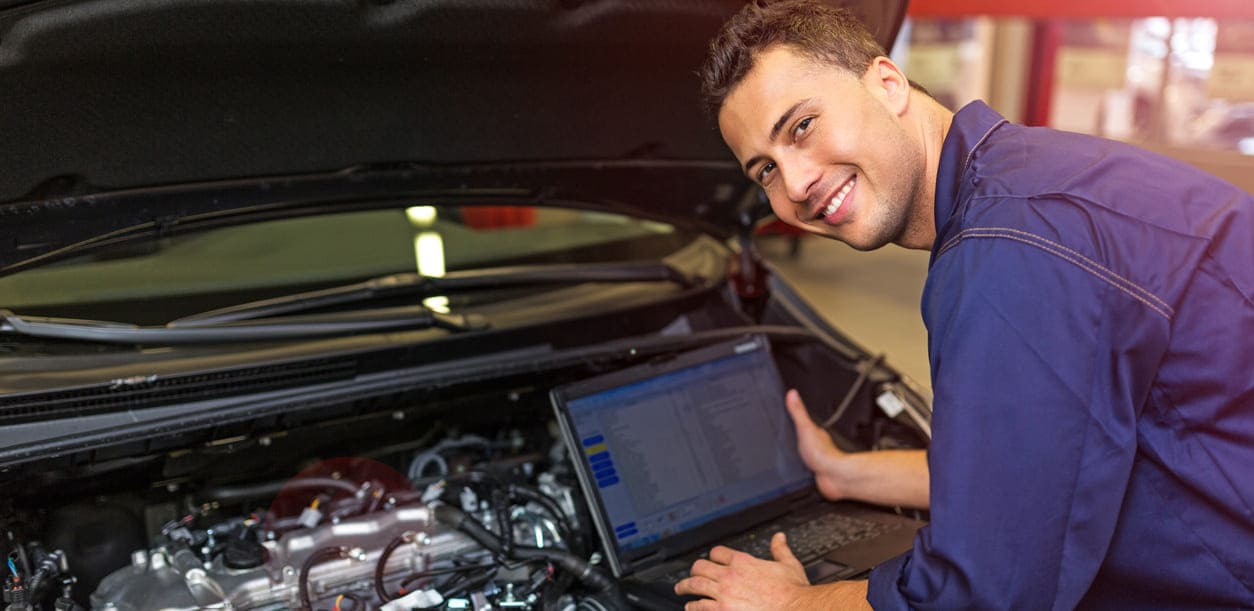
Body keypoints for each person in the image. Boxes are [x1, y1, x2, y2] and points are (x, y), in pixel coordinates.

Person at [673, 1, 1254, 609]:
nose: (792, 186)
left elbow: (982, 593)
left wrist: (794, 605)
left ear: (888, 83)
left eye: (802, 127)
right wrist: (848, 472)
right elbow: (1035, 466)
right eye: (764, 169)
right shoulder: (1023, 181)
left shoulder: (1010, 253)